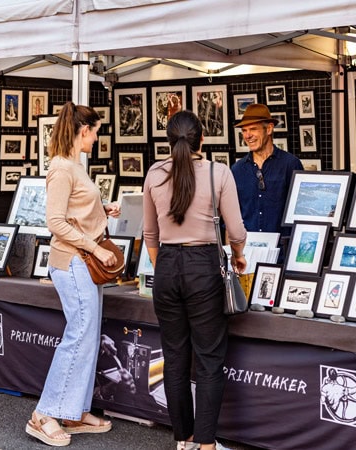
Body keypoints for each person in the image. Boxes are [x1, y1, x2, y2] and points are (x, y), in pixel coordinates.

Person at [143, 110, 247, 450]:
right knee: (208, 358)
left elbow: (150, 234)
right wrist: (239, 254)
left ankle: (183, 439)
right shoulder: (219, 172)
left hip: (167, 267)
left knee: (174, 358)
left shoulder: (154, 174)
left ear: (169, 140)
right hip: (204, 266)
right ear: (202, 138)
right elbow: (236, 230)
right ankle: (206, 444)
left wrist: (163, 268)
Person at [25, 101, 121, 447]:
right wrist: (96, 248)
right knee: (80, 333)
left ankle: (73, 411)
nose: (96, 138)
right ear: (84, 131)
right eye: (95, 132)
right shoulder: (63, 168)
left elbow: (73, 211)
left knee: (87, 334)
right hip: (74, 261)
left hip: (81, 261)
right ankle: (45, 414)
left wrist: (101, 209)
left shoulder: (72, 166)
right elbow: (54, 221)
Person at [230, 103, 304, 237]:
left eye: (253, 129)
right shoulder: (237, 170)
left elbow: (302, 212)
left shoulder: (291, 164)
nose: (247, 136)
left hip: (282, 252)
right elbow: (231, 218)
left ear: (269, 129)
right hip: (248, 252)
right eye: (244, 131)